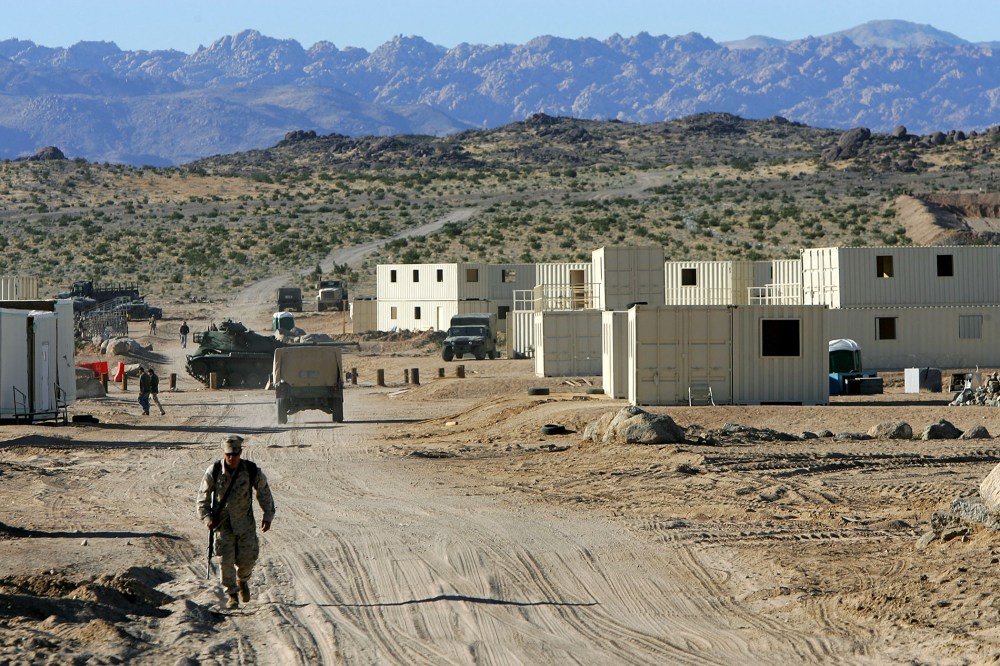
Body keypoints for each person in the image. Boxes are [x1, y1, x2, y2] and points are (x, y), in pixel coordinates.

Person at [196, 435, 275, 610]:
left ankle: (243, 580)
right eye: (228, 454)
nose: (231, 458)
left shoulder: (251, 470)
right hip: (223, 525)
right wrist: (207, 518)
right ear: (224, 453)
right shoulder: (214, 471)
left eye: (235, 454)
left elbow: (263, 491)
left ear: (240, 453)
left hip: (245, 524)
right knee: (226, 560)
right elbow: (202, 498)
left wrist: (268, 514)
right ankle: (232, 594)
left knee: (247, 559)